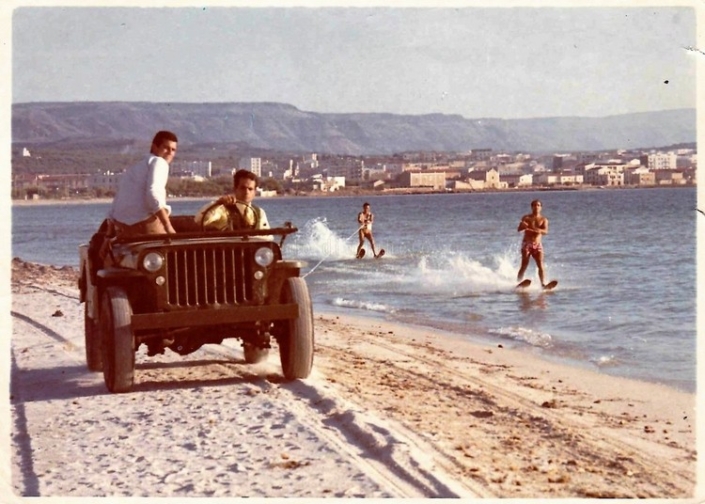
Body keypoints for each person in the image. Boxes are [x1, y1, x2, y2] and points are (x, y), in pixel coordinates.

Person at [108, 130, 178, 235]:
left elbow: (116, 202)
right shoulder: (159, 162)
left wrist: (109, 232)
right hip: (143, 225)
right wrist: (168, 227)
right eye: (166, 148)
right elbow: (153, 194)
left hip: (121, 228)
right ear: (155, 147)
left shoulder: (136, 167)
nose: (170, 153)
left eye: (173, 150)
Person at [197, 169, 271, 232]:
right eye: (242, 188)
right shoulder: (223, 210)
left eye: (250, 189)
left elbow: (266, 237)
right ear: (235, 189)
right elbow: (200, 220)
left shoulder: (259, 213)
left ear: (255, 192)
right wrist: (218, 203)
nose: (246, 192)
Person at [516, 199, 549, 286]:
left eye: (538, 205)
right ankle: (518, 282)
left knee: (540, 265)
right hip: (527, 244)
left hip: (537, 245)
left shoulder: (543, 219)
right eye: (534, 205)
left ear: (541, 207)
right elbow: (519, 229)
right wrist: (523, 226)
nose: (536, 207)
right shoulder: (526, 218)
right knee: (524, 265)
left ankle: (543, 283)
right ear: (531, 207)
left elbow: (545, 232)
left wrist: (538, 230)